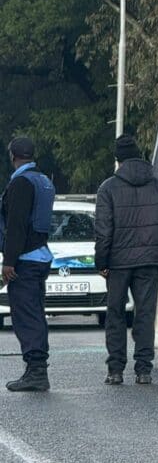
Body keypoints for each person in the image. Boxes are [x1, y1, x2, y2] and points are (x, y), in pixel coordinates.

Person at [95, 134, 158, 385]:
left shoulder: (108, 187)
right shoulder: (156, 184)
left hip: (118, 262)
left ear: (117, 159)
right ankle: (144, 370)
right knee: (145, 313)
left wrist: (102, 263)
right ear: (139, 154)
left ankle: (116, 370)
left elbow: (103, 230)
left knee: (116, 314)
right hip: (150, 260)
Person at [0, 136, 55, 392]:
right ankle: (37, 369)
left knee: (26, 315)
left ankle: (35, 372)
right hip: (40, 255)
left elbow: (16, 225)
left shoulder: (21, 182)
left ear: (12, 156)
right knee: (35, 313)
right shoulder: (43, 180)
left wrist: (8, 261)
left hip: (25, 258)